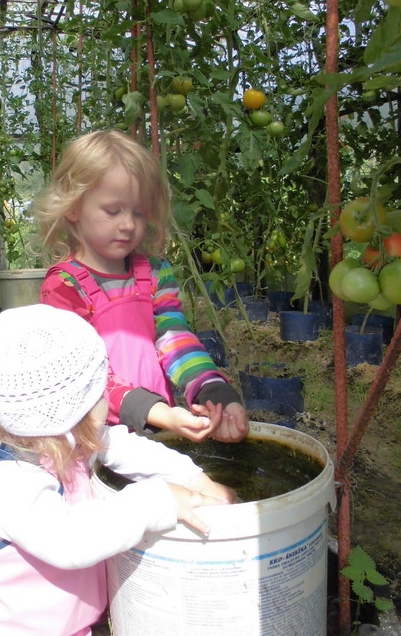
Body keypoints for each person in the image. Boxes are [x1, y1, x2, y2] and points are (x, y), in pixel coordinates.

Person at [0, 304, 236, 636]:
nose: (108, 400)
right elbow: (71, 539)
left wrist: (195, 479)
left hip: (55, 626)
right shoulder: (9, 485)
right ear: (72, 412)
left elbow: (126, 448)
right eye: (101, 393)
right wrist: (159, 500)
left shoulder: (65, 438)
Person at [35, 128, 248, 444]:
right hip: (95, 440)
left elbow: (173, 336)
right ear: (73, 207)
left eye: (138, 212)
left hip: (157, 429)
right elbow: (81, 375)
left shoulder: (155, 272)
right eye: (113, 210)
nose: (129, 224)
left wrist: (212, 389)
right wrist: (154, 410)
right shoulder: (64, 287)